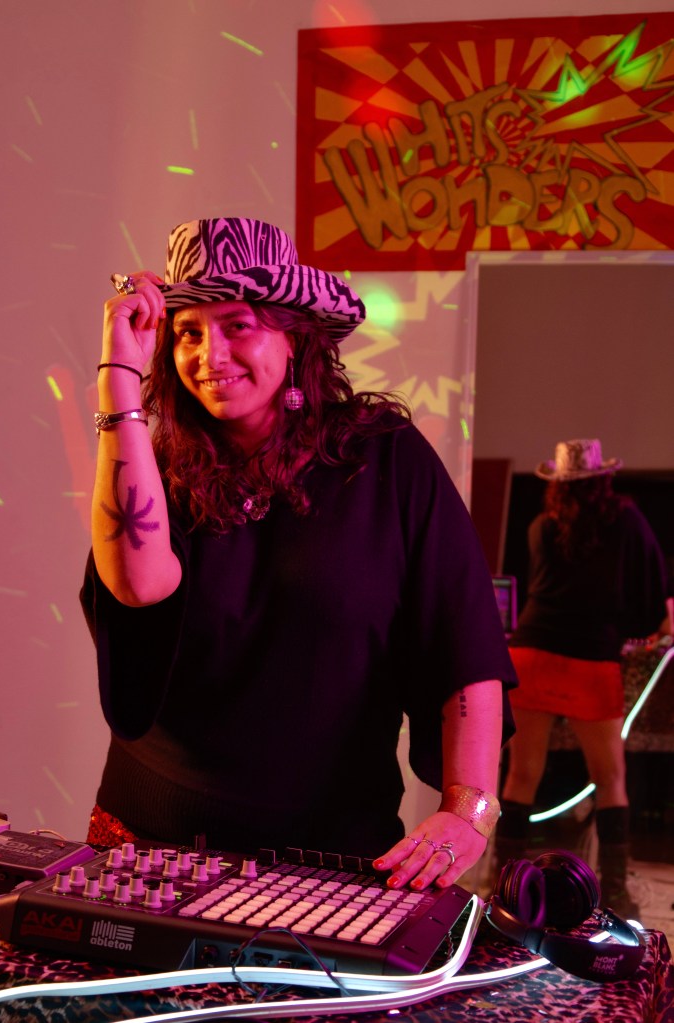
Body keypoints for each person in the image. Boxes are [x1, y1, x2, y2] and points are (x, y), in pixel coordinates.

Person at [81, 216, 517, 892]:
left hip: (331, 859)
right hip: (149, 847)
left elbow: (462, 639)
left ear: (296, 335)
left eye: (237, 325)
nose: (210, 354)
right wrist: (119, 380)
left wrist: (470, 809)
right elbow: (138, 587)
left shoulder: (386, 459)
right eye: (188, 332)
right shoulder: (151, 463)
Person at [497, 438, 670, 914]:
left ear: (556, 484)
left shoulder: (540, 525)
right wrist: (642, 624)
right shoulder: (625, 521)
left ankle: (506, 890)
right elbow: (650, 585)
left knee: (521, 777)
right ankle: (615, 895)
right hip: (590, 659)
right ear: (602, 480)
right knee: (610, 778)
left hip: (532, 653)